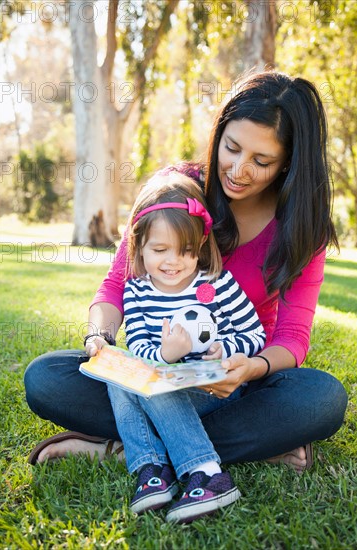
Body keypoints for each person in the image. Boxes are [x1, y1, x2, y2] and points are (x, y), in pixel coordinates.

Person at [25, 71, 348, 478]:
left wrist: (251, 367)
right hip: (154, 376)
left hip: (234, 382)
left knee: (322, 399)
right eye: (231, 148)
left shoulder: (301, 229)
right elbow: (115, 285)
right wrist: (100, 337)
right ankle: (239, 447)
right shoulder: (175, 189)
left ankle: (129, 448)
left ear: (288, 164)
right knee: (45, 378)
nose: (238, 169)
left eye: (261, 161)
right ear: (219, 137)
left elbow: (292, 339)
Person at [106, 173, 265, 522]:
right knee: (119, 377)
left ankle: (208, 473)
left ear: (201, 246)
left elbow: (255, 335)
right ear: (139, 246)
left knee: (155, 387)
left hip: (213, 389)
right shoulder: (137, 291)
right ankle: (153, 470)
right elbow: (137, 345)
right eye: (160, 250)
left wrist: (226, 347)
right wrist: (165, 355)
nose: (173, 262)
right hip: (166, 382)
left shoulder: (217, 284)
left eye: (186, 251)